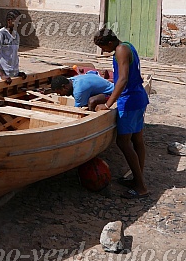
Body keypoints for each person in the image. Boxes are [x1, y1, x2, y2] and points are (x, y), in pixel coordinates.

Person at [93, 27, 150, 199]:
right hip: (138, 98)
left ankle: (140, 187)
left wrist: (108, 104)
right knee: (137, 140)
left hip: (130, 101)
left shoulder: (121, 50)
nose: (103, 51)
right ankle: (136, 178)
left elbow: (123, 79)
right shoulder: (127, 46)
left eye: (103, 47)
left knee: (123, 142)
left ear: (110, 43)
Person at [0, 10, 26, 84]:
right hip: (3, 77)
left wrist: (17, 72)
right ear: (9, 21)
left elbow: (13, 55)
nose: (19, 23)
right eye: (16, 21)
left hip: (13, 76)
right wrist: (2, 75)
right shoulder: (1, 34)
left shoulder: (16, 35)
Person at [50, 72, 114, 110]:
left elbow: (77, 110)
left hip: (111, 93)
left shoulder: (78, 91)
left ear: (64, 87)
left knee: (91, 102)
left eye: (60, 92)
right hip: (102, 88)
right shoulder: (71, 80)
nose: (61, 95)